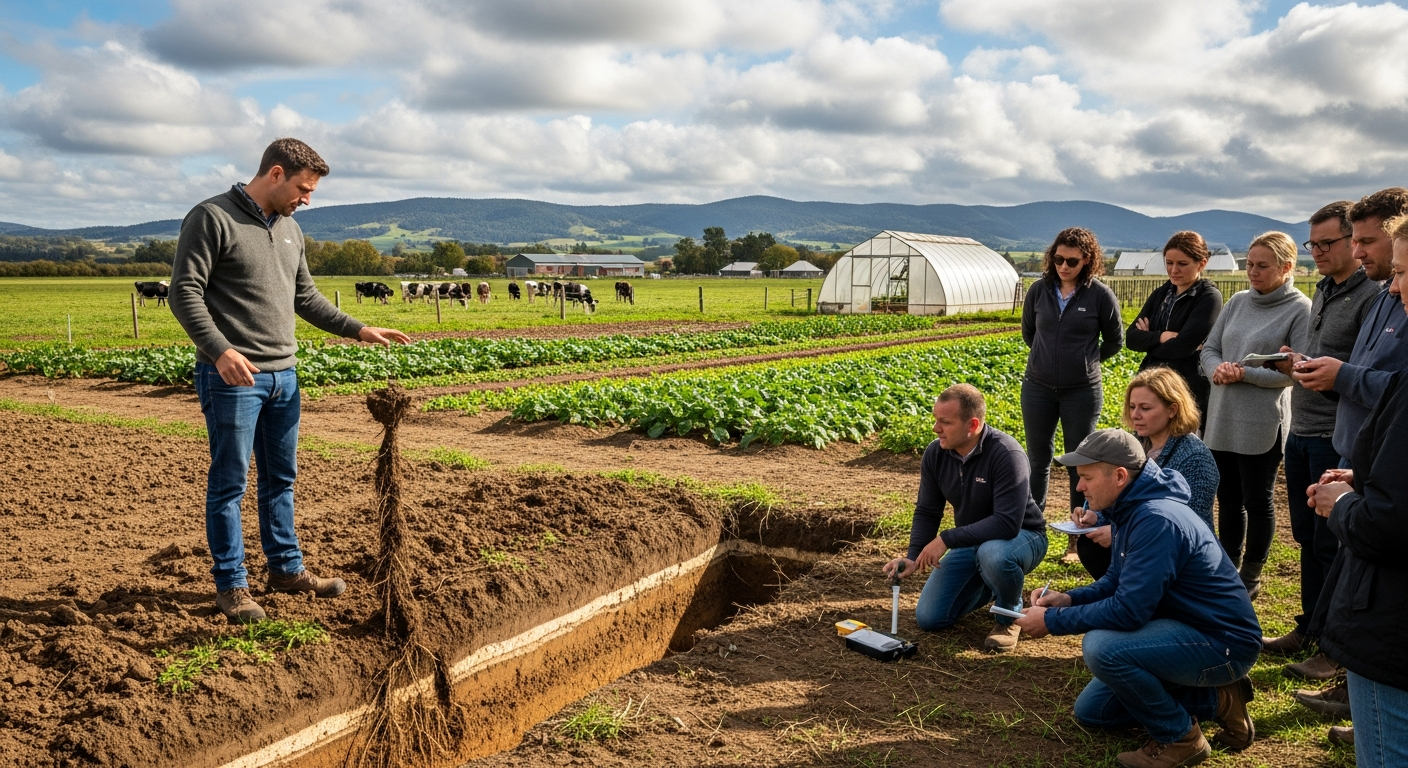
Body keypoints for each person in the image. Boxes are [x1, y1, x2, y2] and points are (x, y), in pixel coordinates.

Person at [170, 138, 411, 623]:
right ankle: (232, 586)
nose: (307, 199)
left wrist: (358, 329)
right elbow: (184, 292)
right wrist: (220, 353)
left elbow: (306, 296)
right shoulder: (212, 217)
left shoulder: (290, 230)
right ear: (275, 175)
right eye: (303, 189)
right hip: (234, 379)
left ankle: (285, 569)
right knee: (229, 483)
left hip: (285, 378)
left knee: (281, 479)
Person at [1015, 429, 1261, 768]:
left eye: (1086, 477)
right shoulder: (1133, 509)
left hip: (1222, 644)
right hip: (1184, 629)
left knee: (1102, 648)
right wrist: (1068, 600)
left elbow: (1129, 611)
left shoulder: (1155, 519)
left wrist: (1051, 622)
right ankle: (1219, 699)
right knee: (1094, 712)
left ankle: (1180, 737)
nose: (1079, 487)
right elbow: (1117, 579)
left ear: (1119, 476)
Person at [1283, 188, 1408, 690]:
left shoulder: (1383, 295)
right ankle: (1330, 646)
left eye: (1366, 241)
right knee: (1325, 547)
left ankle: (1350, 669)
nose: (1359, 252)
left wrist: (1342, 377)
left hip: (1385, 467)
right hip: (1357, 451)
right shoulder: (1383, 298)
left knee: (1361, 560)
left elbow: (1392, 387)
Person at [1259, 201, 1379, 662]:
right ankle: (1309, 625)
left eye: (1327, 243)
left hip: (1338, 433)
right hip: (1303, 426)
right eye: (1313, 243)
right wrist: (1297, 362)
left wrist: (1328, 372)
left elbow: (1362, 372)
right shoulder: (1326, 288)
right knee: (1308, 538)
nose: (1318, 251)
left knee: (1334, 541)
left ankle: (1332, 641)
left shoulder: (1372, 294)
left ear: (1353, 241)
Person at [1309, 212, 1408, 768]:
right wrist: (1364, 477)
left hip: (1393, 631)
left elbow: (1387, 524)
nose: (1392, 286)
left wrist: (1346, 500)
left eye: (1402, 271)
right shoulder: (1369, 301)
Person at [881, 384, 1048, 652]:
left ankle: (1009, 615)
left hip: (1022, 537)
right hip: (973, 541)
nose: (936, 428)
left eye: (945, 422)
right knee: (931, 618)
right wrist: (913, 556)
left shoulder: (1006, 454)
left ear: (972, 424)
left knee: (994, 555)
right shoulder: (936, 453)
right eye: (936, 419)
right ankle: (993, 582)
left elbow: (1007, 522)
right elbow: (927, 510)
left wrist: (947, 539)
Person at [1200, 231, 1311, 598]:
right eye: (1250, 264)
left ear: (1287, 267)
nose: (1252, 272)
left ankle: (1251, 574)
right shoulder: (1236, 302)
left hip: (1263, 422)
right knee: (1228, 498)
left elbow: (1292, 373)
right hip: (1222, 416)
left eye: (1262, 266)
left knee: (1257, 500)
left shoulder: (1300, 309)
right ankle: (1227, 568)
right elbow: (1211, 348)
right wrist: (1217, 368)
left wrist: (1243, 373)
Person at [1021, 227, 1123, 563]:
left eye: (1072, 261)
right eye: (1059, 259)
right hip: (1037, 387)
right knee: (1038, 459)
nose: (1064, 266)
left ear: (1088, 261)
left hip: (1081, 391)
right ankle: (1030, 532)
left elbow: (1114, 341)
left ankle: (1076, 541)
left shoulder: (1100, 296)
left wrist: (1085, 361)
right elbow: (1029, 334)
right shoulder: (1038, 292)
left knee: (1079, 465)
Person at [1074, 367, 1218, 579]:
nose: (1135, 415)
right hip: (1140, 535)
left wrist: (1120, 536)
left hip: (1178, 557)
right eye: (1132, 407)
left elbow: (1187, 525)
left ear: (1172, 409)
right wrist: (1094, 514)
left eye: (1145, 408)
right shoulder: (1134, 444)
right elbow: (1115, 492)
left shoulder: (1195, 458)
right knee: (1090, 545)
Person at [1125, 231, 1223, 425]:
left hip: (1185, 390)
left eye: (1182, 264)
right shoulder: (1162, 293)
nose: (1174, 270)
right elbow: (1131, 338)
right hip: (1151, 388)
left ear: (1202, 263)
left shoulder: (1208, 297)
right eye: (1169, 263)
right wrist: (1162, 337)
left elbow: (1182, 347)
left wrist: (1149, 339)